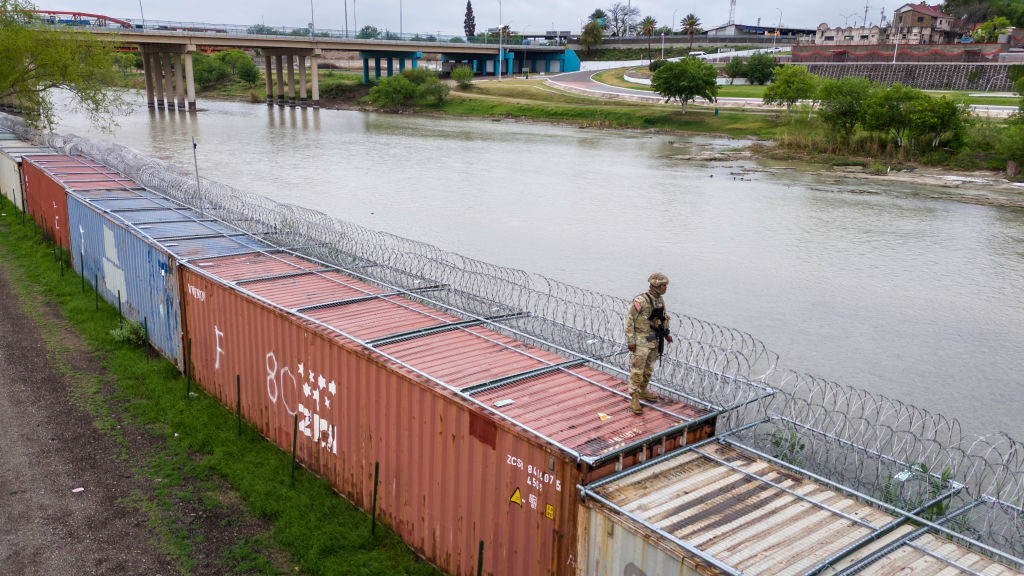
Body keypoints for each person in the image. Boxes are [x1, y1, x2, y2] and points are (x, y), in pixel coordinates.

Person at [624, 273, 673, 415]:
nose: (666, 288)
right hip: (641, 341)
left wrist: (666, 334)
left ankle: (643, 390)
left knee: (648, 369)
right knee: (637, 370)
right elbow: (630, 320)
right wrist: (631, 340)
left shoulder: (660, 300)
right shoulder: (641, 301)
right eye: (664, 286)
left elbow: (663, 318)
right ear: (657, 286)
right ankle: (634, 397)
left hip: (654, 341)